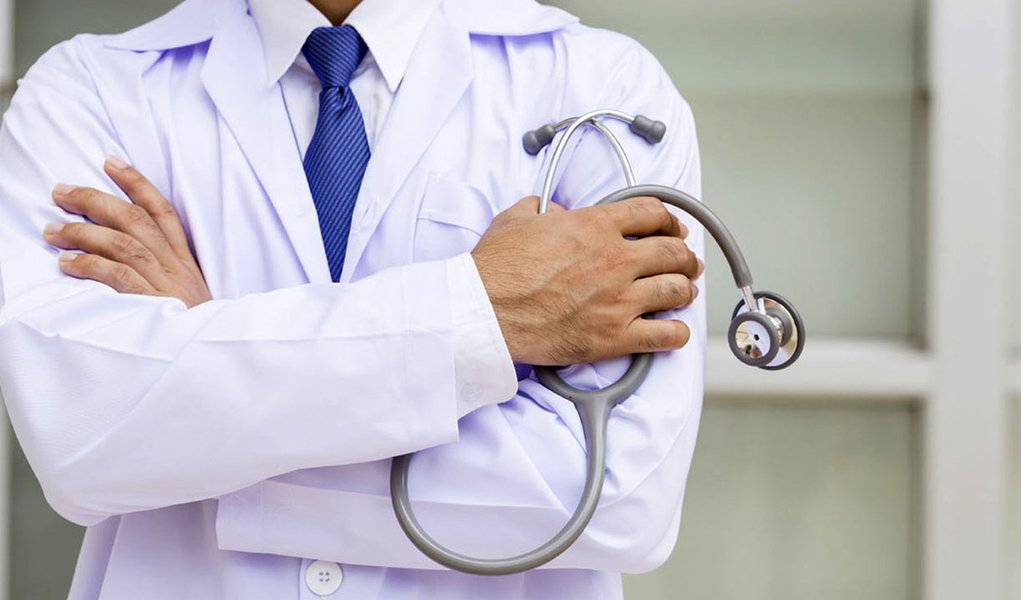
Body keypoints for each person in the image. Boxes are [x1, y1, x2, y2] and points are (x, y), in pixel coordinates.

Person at [0, 0, 706, 598]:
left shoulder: (601, 86)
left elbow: (616, 500)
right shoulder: (89, 90)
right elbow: (82, 437)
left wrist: (199, 379)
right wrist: (479, 311)